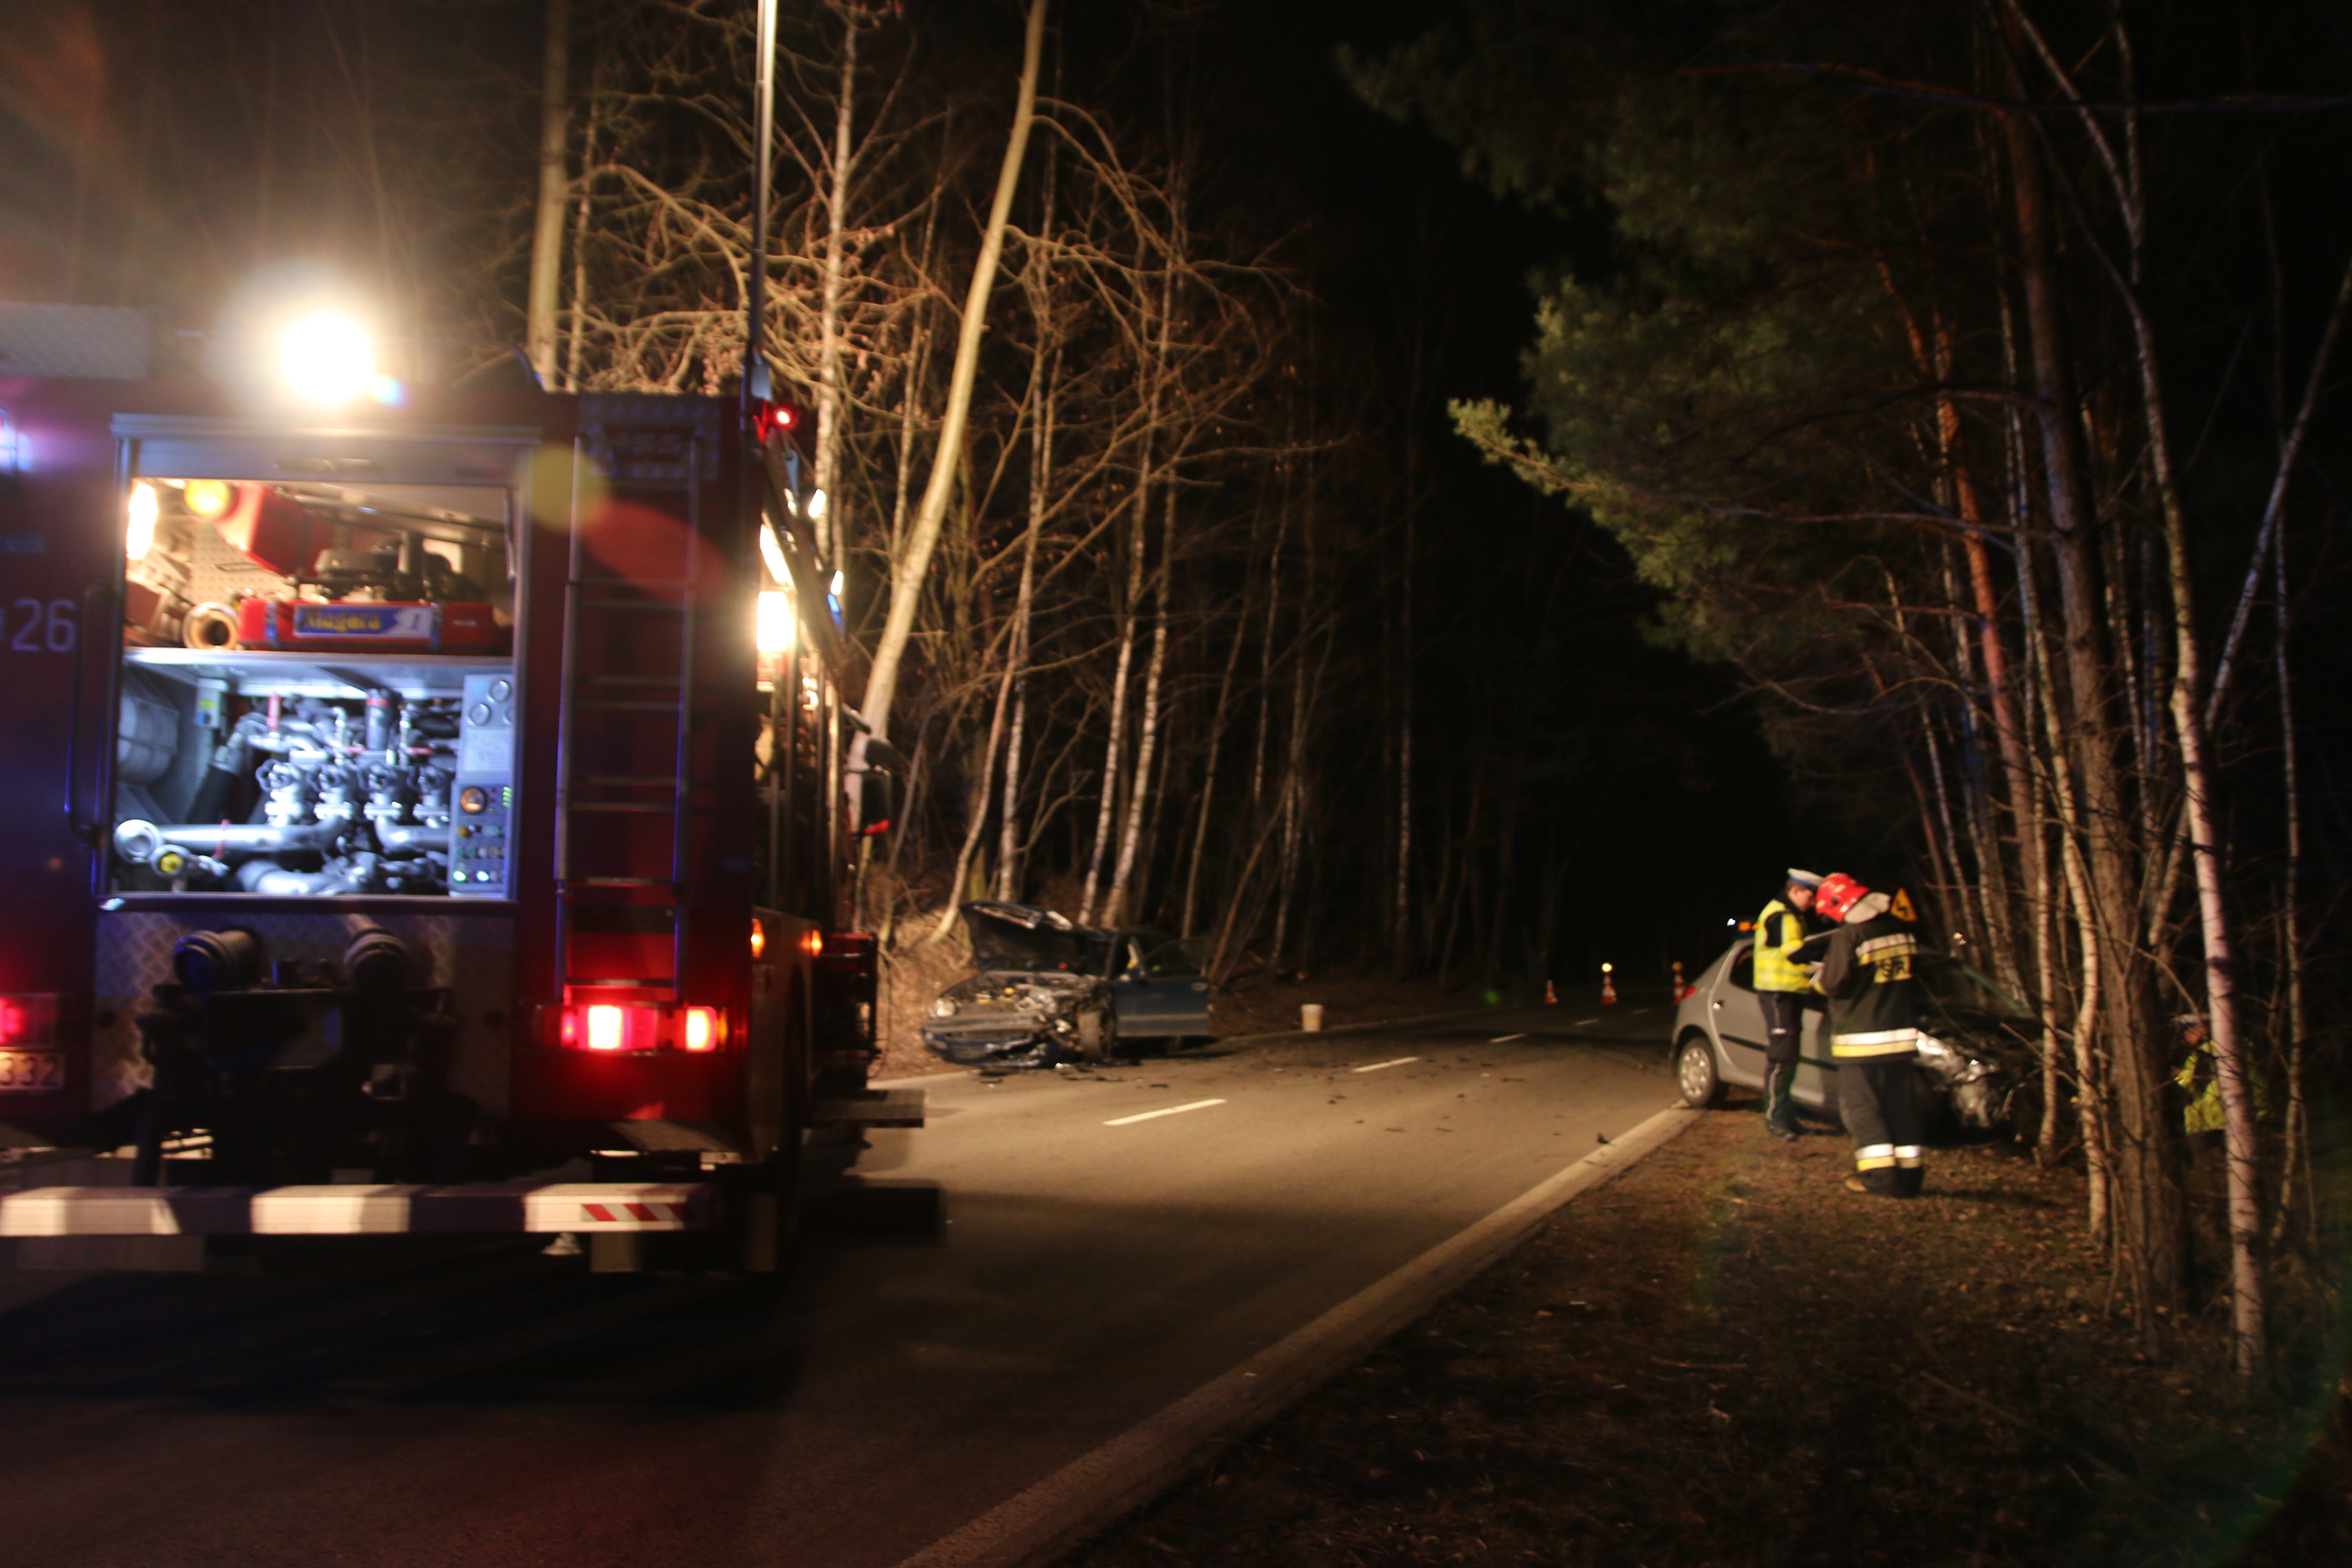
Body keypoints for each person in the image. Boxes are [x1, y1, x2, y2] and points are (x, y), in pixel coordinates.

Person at [1812, 872, 1926, 1197]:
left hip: (1860, 1041)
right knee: (1901, 1108)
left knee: (1863, 1110)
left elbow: (1832, 983)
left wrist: (1817, 978)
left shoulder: (1851, 935)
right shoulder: (1902, 930)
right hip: (1901, 1038)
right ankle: (1910, 1178)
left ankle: (1879, 1179)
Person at [1750, 869, 1823, 1141]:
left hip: (1788, 994)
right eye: (1811, 897)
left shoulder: (1790, 915)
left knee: (1789, 1057)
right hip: (1778, 994)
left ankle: (1786, 1115)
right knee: (1781, 1057)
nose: (1813, 903)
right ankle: (1775, 1118)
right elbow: (1795, 953)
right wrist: (1824, 954)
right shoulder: (1782, 915)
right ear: (1796, 891)